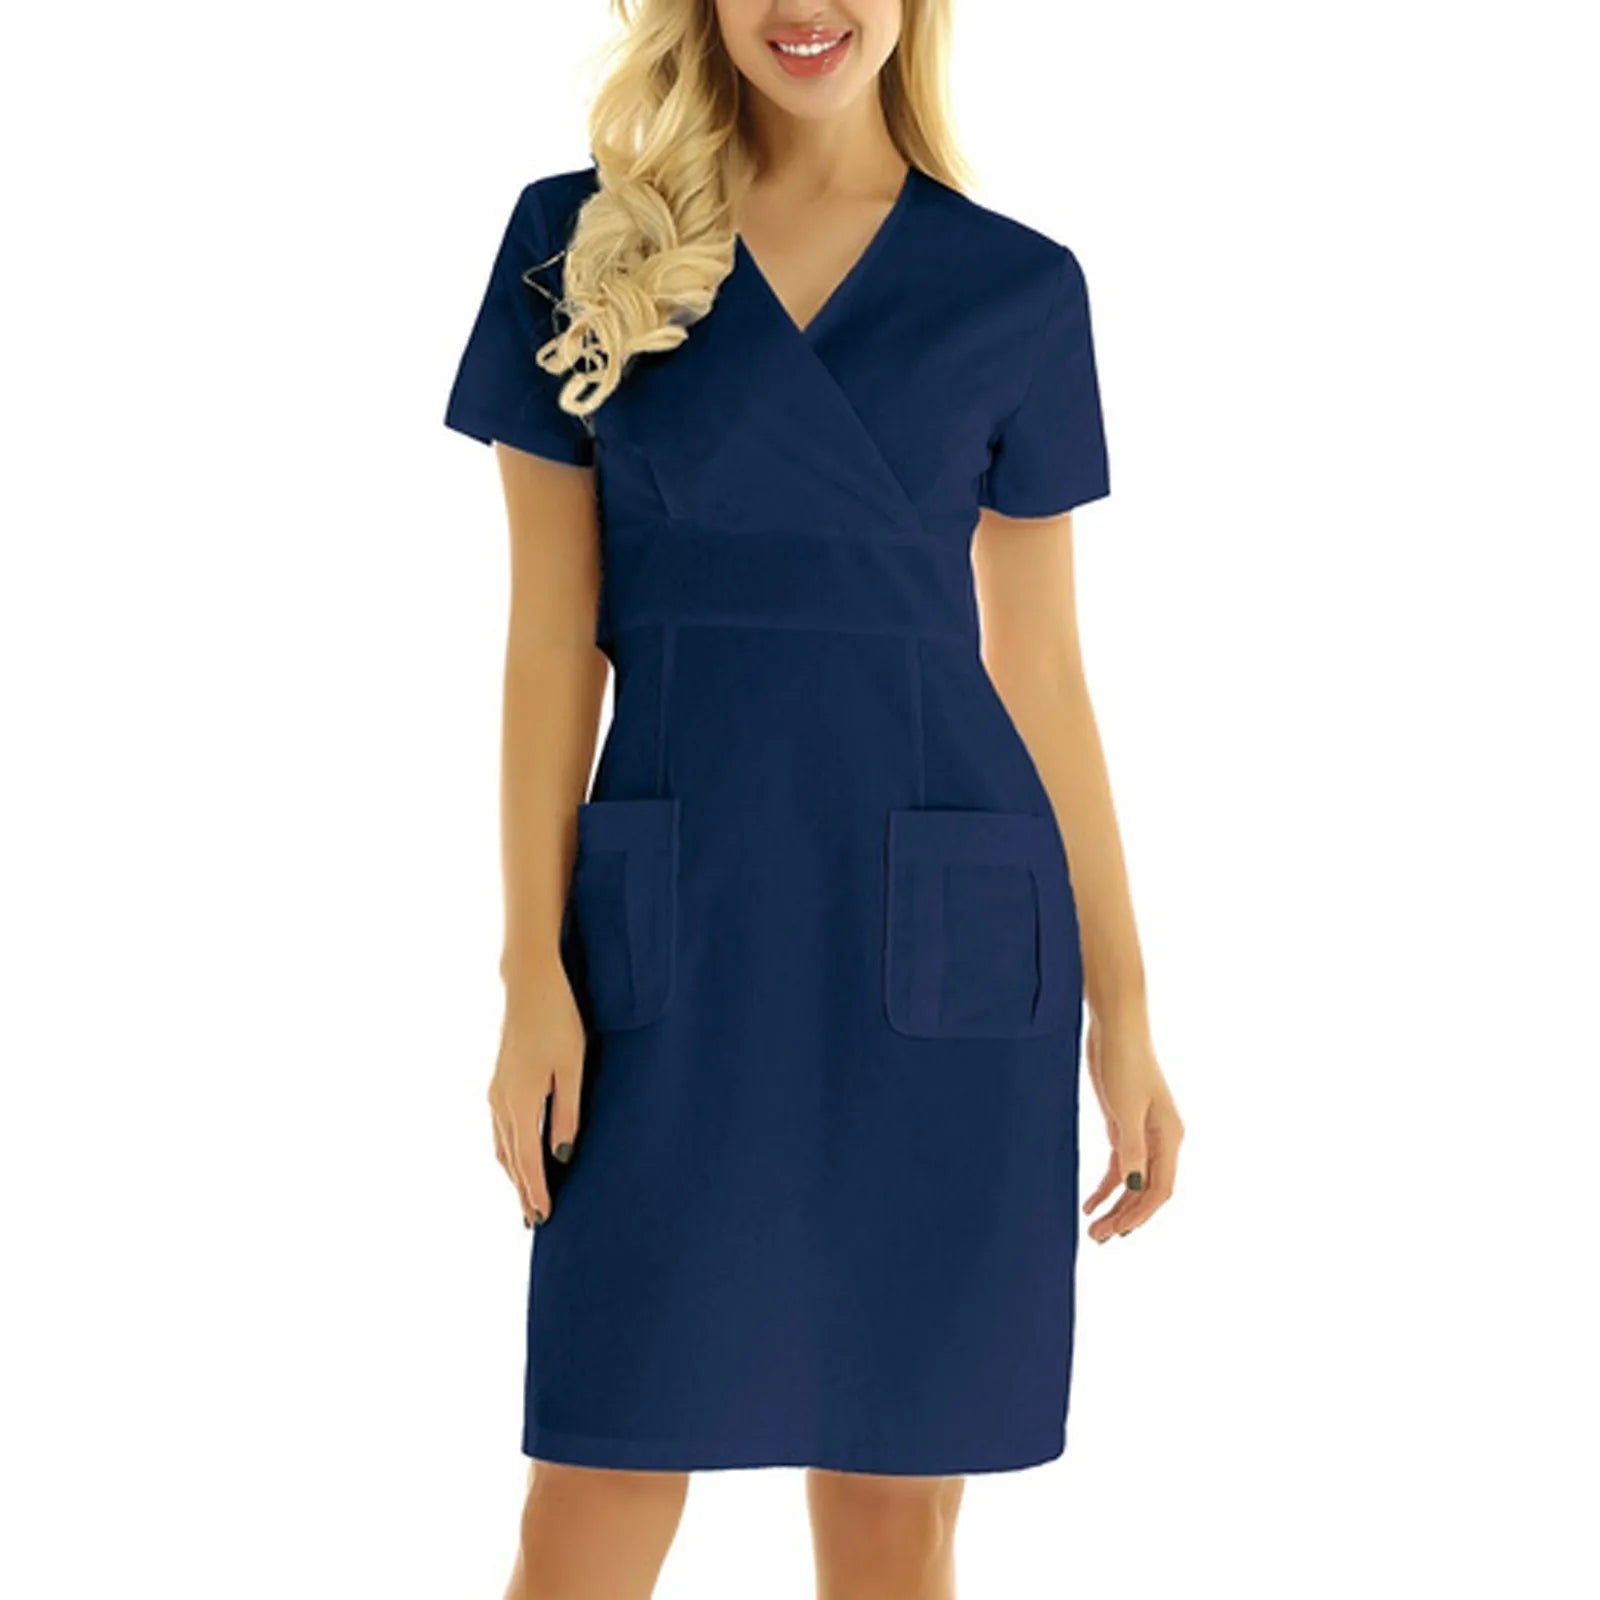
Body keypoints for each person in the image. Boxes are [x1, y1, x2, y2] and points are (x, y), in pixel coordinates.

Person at [442, 3, 1184, 1596]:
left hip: (941, 957)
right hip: (676, 938)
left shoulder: (1016, 288)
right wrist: (528, 970)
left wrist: (1124, 1009)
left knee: (896, 1510)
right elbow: (550, 642)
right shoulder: (577, 245)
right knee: (598, 1473)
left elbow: (1043, 671)